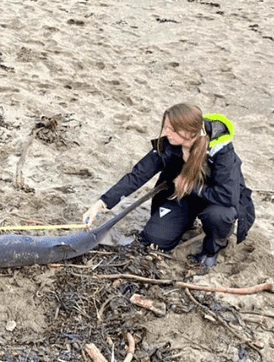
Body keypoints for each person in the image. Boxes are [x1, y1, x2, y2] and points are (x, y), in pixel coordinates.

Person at [81, 103, 255, 267]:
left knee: (218, 216)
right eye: (165, 127)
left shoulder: (221, 150)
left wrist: (191, 187)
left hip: (217, 201)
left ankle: (212, 248)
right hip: (182, 196)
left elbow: (228, 196)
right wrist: (100, 204)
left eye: (171, 129)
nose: (165, 133)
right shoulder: (169, 144)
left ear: (190, 133)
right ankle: (185, 223)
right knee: (154, 238)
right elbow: (137, 175)